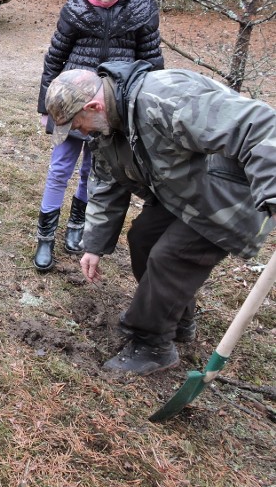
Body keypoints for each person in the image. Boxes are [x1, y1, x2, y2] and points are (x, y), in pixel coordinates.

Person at [45, 62, 276, 375]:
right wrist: (94, 245)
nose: (80, 132)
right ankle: (176, 318)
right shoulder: (108, 127)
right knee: (142, 239)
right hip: (184, 193)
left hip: (230, 195)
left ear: (94, 106)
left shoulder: (165, 98)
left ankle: (153, 345)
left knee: (170, 257)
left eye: (77, 124)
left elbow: (259, 125)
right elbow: (106, 185)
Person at [33, 0, 163, 272]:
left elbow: (151, 63)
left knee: (97, 171)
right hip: (73, 105)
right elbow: (54, 57)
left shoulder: (142, 10)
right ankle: (45, 234)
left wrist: (143, 112)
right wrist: (47, 106)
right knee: (61, 166)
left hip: (111, 111)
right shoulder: (75, 8)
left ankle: (78, 227)